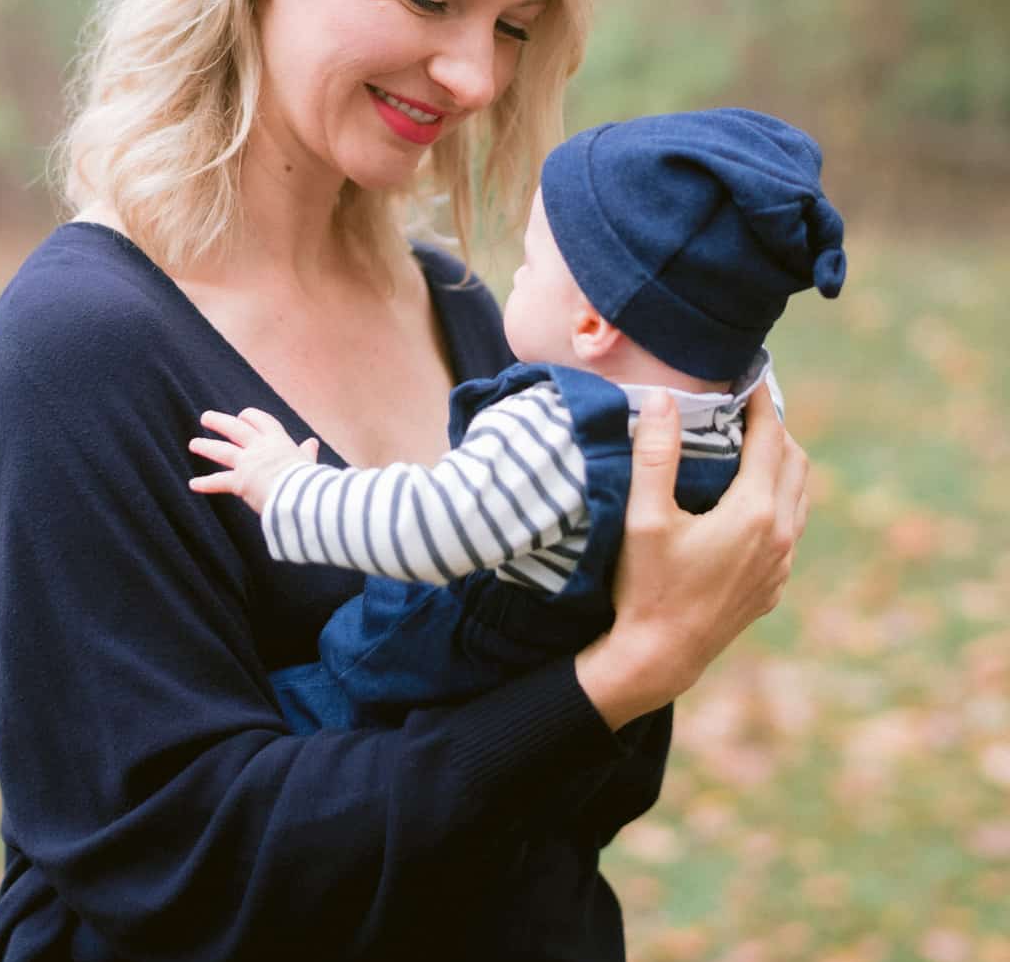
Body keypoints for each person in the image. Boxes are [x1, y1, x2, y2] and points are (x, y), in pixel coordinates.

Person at [0, 0, 809, 962]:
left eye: (515, 27)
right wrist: (626, 668)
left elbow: (568, 810)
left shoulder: (469, 320)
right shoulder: (84, 352)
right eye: (430, 1)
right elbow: (191, 875)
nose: (477, 77)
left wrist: (662, 578)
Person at [189, 107, 845, 733]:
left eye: (532, 266)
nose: (518, 276)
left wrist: (285, 486)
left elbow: (423, 527)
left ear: (590, 324)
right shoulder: (740, 417)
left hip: (399, 691)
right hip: (553, 703)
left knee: (261, 733)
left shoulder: (555, 436)